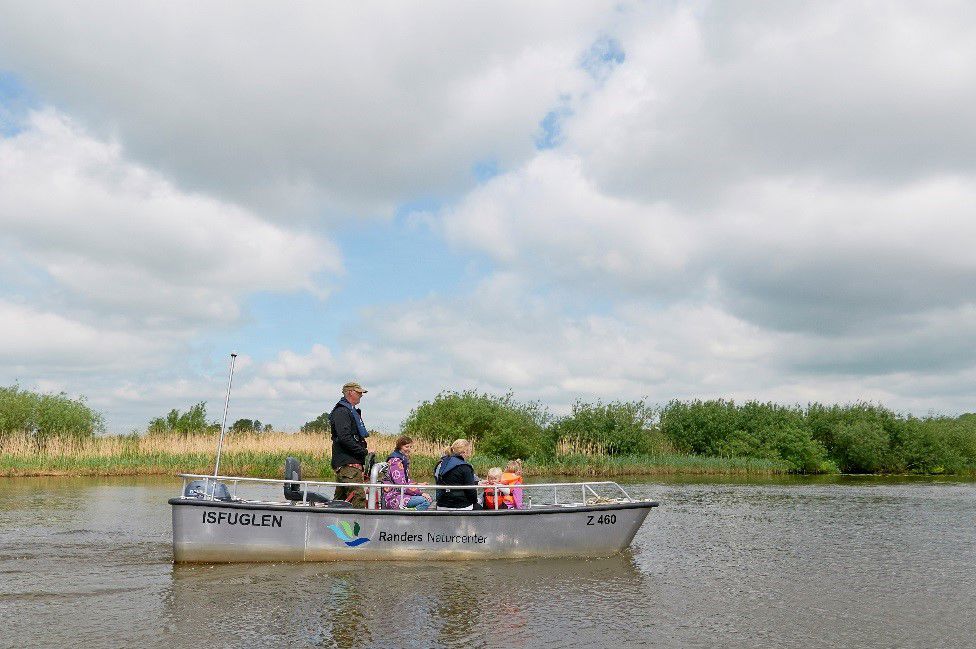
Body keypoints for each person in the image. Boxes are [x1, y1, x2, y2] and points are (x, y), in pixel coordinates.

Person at [329, 381, 370, 508]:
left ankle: (332, 524)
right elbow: (344, 437)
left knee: (340, 500)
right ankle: (359, 525)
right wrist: (363, 451)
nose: (361, 395)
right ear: (350, 392)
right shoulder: (342, 411)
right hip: (348, 465)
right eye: (359, 393)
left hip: (350, 465)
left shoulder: (349, 411)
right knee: (358, 498)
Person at [381, 435, 432, 510]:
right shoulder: (396, 461)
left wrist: (418, 484)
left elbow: (405, 480)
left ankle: (409, 512)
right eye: (406, 447)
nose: (409, 449)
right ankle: (409, 516)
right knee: (426, 501)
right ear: (400, 447)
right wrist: (421, 493)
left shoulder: (401, 459)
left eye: (410, 447)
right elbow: (401, 484)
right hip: (392, 497)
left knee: (429, 498)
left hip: (399, 494)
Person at [434, 439, 481, 510]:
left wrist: (478, 482)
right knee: (479, 505)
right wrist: (475, 501)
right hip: (460, 506)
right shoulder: (465, 467)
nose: (469, 455)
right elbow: (471, 493)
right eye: (469, 451)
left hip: (441, 505)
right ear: (464, 452)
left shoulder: (440, 464)